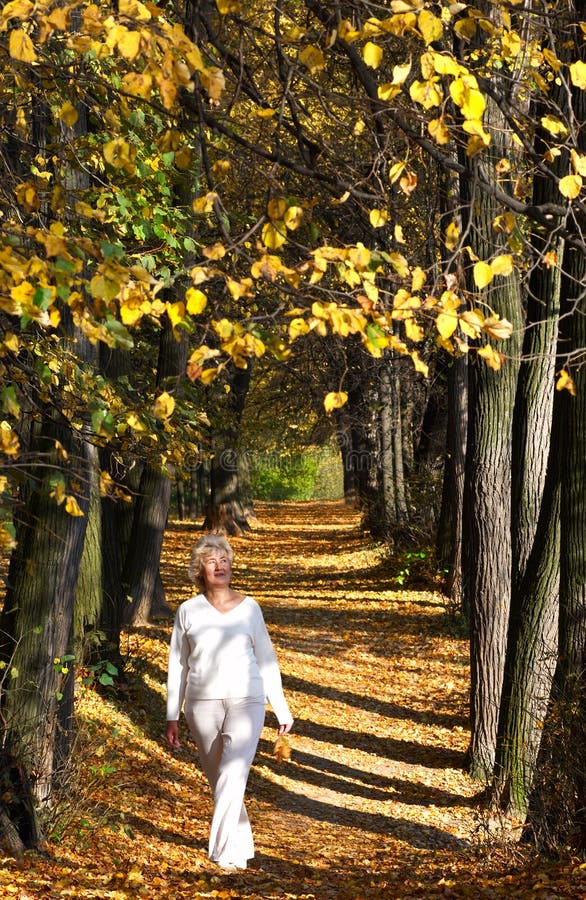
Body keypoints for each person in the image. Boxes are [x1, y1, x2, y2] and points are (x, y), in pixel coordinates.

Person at [165, 534, 293, 872]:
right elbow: (178, 665)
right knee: (220, 779)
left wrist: (279, 706)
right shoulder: (188, 611)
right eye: (211, 561)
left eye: (224, 560)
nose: (219, 565)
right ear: (199, 570)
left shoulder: (250, 608)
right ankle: (242, 845)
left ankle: (221, 854)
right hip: (200, 704)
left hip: (246, 701)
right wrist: (171, 715)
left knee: (233, 774)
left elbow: (267, 659)